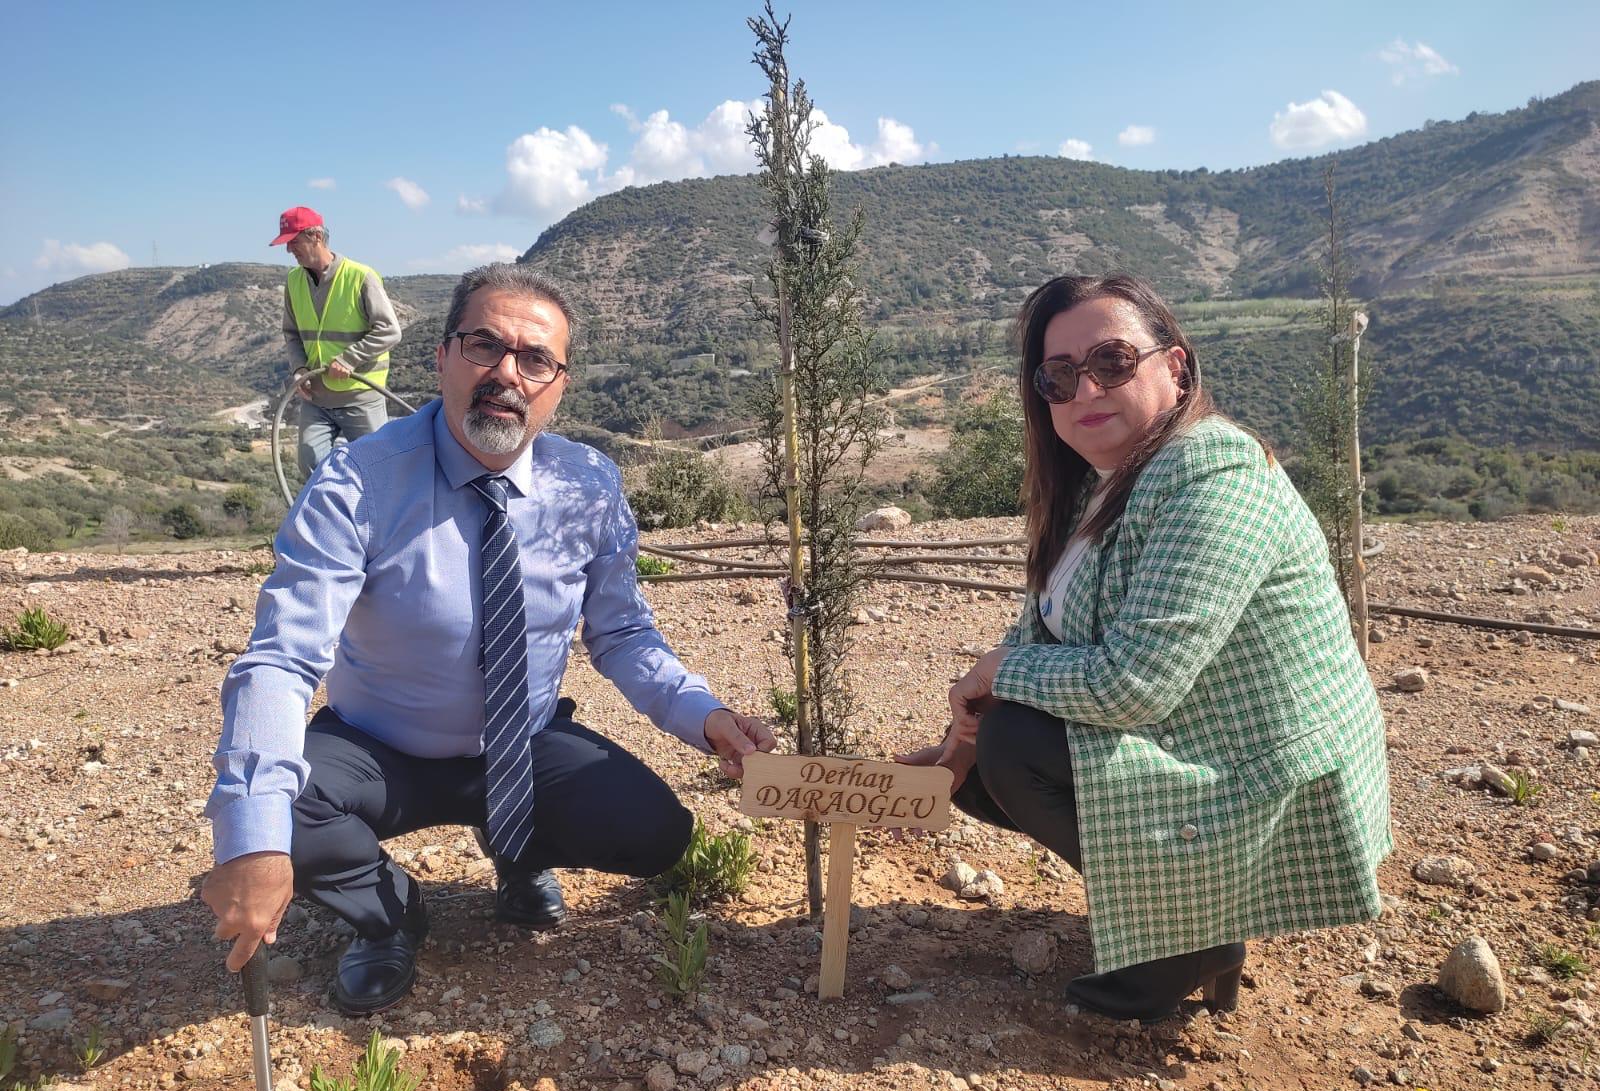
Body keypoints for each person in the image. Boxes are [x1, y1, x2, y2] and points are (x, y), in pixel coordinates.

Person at [202, 262, 775, 1015]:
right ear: (441, 357)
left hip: (522, 741)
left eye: (536, 359)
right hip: (379, 747)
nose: (508, 373)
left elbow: (624, 632)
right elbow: (283, 657)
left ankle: (517, 850)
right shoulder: (359, 482)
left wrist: (705, 716)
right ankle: (390, 915)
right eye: (484, 346)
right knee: (279, 818)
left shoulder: (589, 484)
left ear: (559, 384)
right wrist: (251, 839)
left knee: (656, 835)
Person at [898, 273, 1391, 1022]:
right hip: (1201, 737)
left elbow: (1137, 686)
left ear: (1177, 366)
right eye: (1058, 375)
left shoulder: (1213, 472)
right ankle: (1180, 910)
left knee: (1017, 743)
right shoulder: (1099, 482)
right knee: (979, 766)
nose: (1085, 386)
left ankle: (1192, 937)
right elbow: (1040, 630)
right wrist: (955, 745)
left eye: (1113, 360)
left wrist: (996, 680)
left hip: (1263, 768)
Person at [271, 205, 402, 478]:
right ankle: (332, 518)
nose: (289, 250)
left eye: (294, 241)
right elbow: (292, 333)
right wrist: (299, 370)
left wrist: (348, 359)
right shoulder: (294, 281)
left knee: (379, 470)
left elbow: (390, 330)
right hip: (316, 398)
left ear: (316, 237)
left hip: (360, 397)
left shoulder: (360, 276)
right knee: (310, 461)